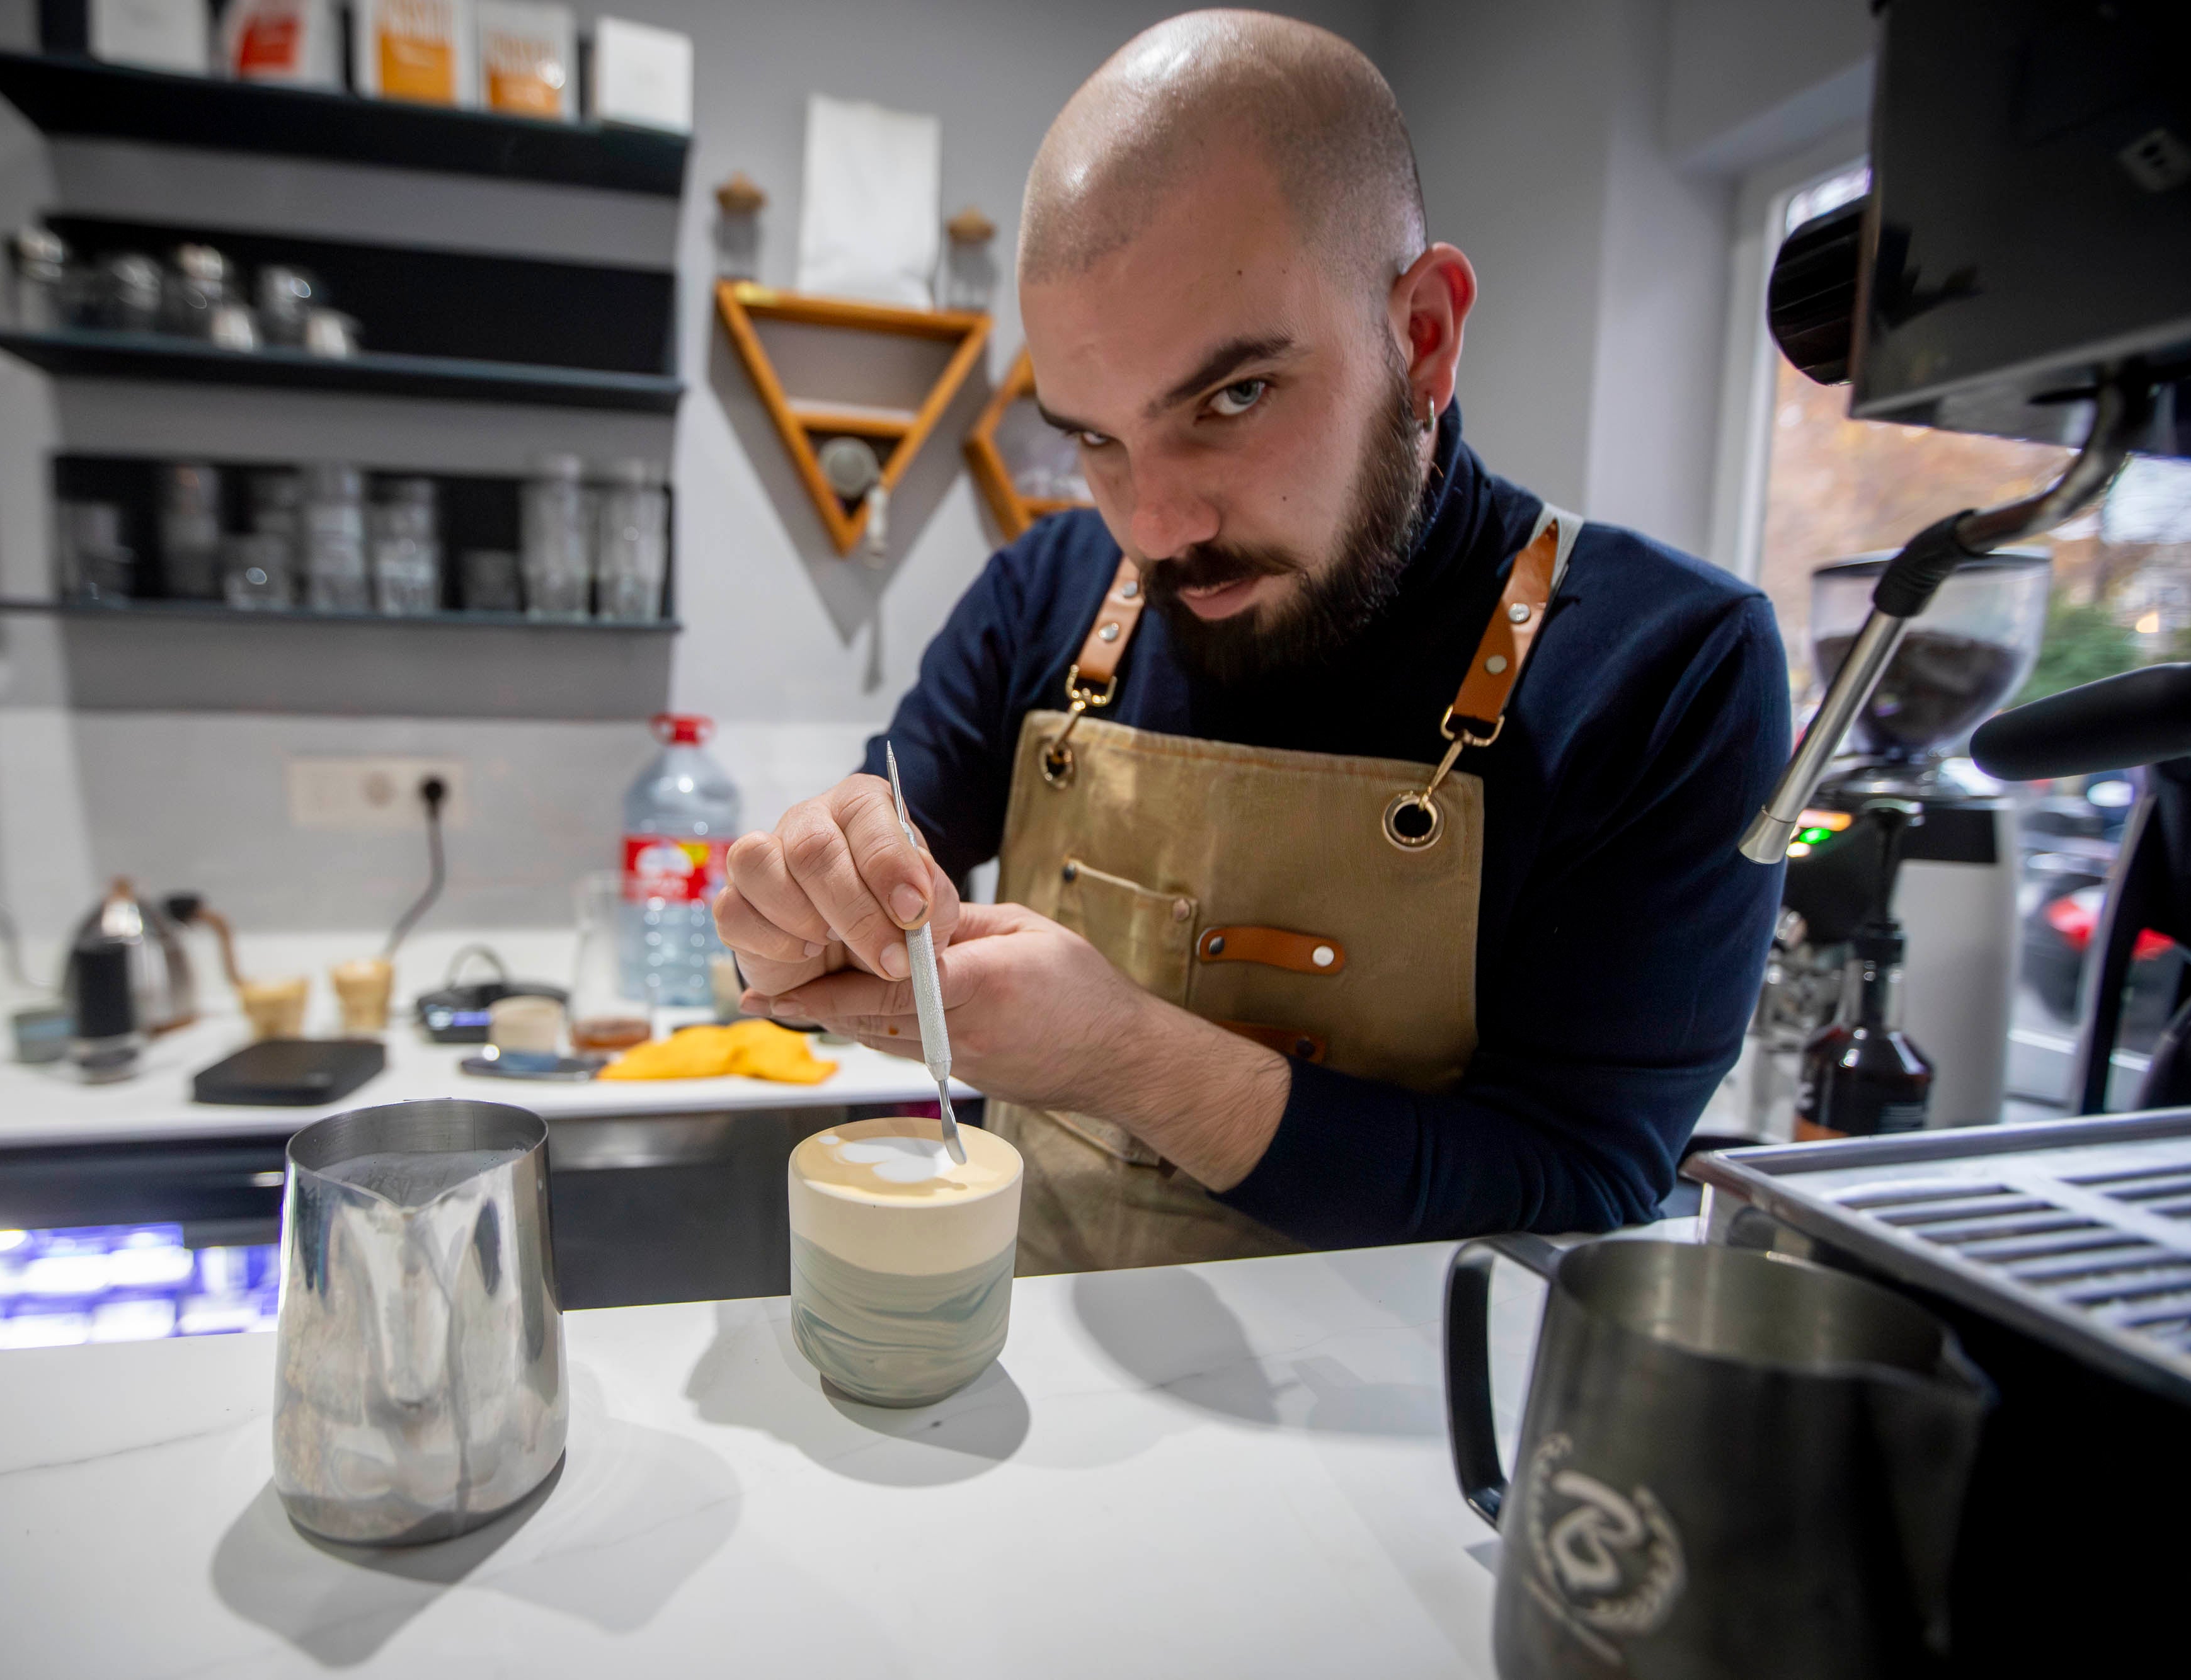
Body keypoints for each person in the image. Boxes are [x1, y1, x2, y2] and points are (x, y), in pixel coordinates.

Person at [717, 9, 1788, 1274]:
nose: (1158, 528)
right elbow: (853, 867)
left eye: (1232, 398)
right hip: (1041, 1404)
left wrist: (1123, 1054)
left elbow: (1585, 1180)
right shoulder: (1046, 590)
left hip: (1410, 1445)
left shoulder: (1668, 669)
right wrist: (793, 905)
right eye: (1095, 439)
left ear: (1422, 336)